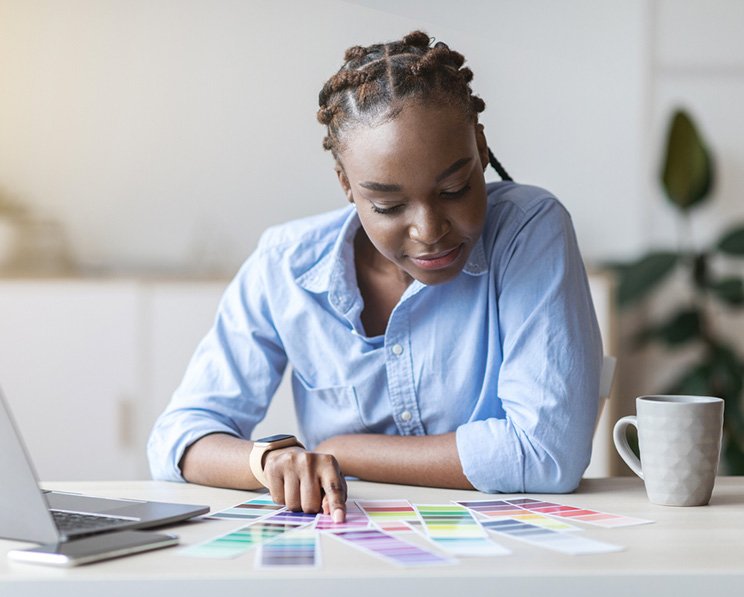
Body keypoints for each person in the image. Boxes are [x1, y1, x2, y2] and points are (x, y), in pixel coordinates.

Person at [147, 31, 602, 523]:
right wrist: (270, 460)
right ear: (346, 183)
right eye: (387, 205)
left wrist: (343, 450)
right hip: (348, 552)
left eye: (454, 188)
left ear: (481, 146)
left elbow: (546, 453)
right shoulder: (284, 266)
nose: (429, 231)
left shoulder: (529, 231)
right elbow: (178, 439)